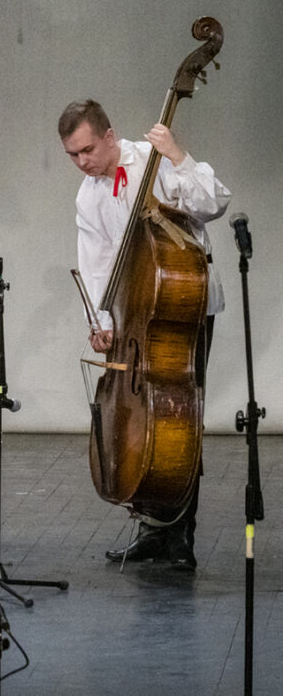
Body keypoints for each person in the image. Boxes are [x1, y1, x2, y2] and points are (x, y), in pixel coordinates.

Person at [59, 99, 230, 568]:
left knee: (178, 416)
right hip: (133, 315)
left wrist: (178, 155)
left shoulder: (154, 161)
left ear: (109, 136)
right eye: (73, 155)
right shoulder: (88, 195)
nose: (82, 162)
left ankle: (180, 535)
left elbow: (213, 203)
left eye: (88, 150)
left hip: (180, 305)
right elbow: (98, 266)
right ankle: (152, 529)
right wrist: (103, 324)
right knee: (140, 418)